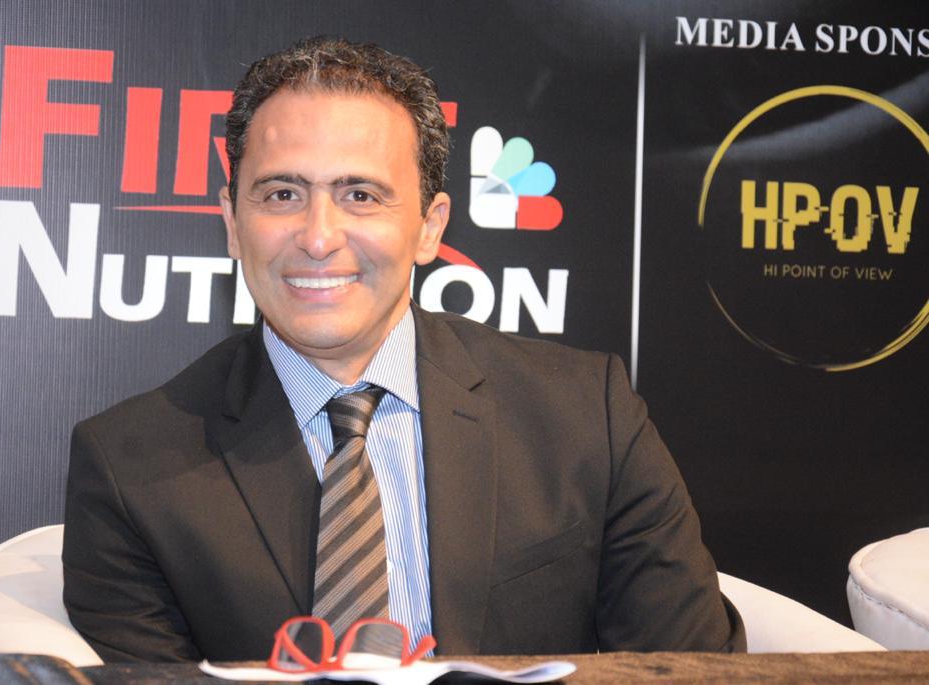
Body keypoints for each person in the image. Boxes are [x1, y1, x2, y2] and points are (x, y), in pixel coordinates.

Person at [63, 36, 745, 663]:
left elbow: (692, 666)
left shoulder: (586, 416)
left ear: (429, 227)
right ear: (233, 224)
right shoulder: (130, 468)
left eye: (360, 195)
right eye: (282, 193)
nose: (318, 237)